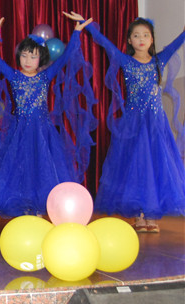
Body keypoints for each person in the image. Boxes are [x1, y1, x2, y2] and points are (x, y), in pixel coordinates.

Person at [0, 11, 94, 217]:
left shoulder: (45, 76)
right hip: (20, 132)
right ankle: (24, 210)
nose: (28, 60)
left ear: (41, 58)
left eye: (33, 56)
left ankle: (39, 209)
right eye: (24, 55)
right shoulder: (14, 76)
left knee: (42, 169)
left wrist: (76, 33)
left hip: (42, 132)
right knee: (20, 169)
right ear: (18, 56)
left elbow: (65, 57)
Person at [79, 14, 185, 232]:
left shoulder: (159, 61)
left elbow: (177, 43)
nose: (141, 39)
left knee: (155, 167)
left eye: (145, 35)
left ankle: (151, 215)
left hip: (156, 125)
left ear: (152, 39)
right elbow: (105, 44)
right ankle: (139, 216)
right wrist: (87, 27)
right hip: (133, 124)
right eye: (136, 35)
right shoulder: (125, 61)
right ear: (129, 40)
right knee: (135, 168)